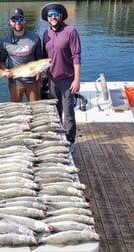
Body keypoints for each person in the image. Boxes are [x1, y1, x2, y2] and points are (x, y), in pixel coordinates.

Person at [41, 3, 81, 153]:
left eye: (55, 14)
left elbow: (76, 57)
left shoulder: (71, 31)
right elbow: (44, 58)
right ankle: (58, 137)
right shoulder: (45, 33)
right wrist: (40, 72)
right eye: (50, 15)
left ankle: (70, 141)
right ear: (47, 18)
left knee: (68, 113)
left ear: (61, 15)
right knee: (55, 111)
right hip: (52, 79)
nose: (53, 17)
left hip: (67, 79)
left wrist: (77, 79)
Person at [0, 7, 42, 102]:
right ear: (10, 22)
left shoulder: (35, 37)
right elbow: (1, 61)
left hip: (33, 83)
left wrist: (40, 75)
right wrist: (5, 71)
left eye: (20, 19)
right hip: (15, 83)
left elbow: (39, 59)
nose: (17, 22)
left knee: (35, 110)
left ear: (25, 20)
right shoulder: (4, 41)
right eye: (14, 19)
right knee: (17, 111)